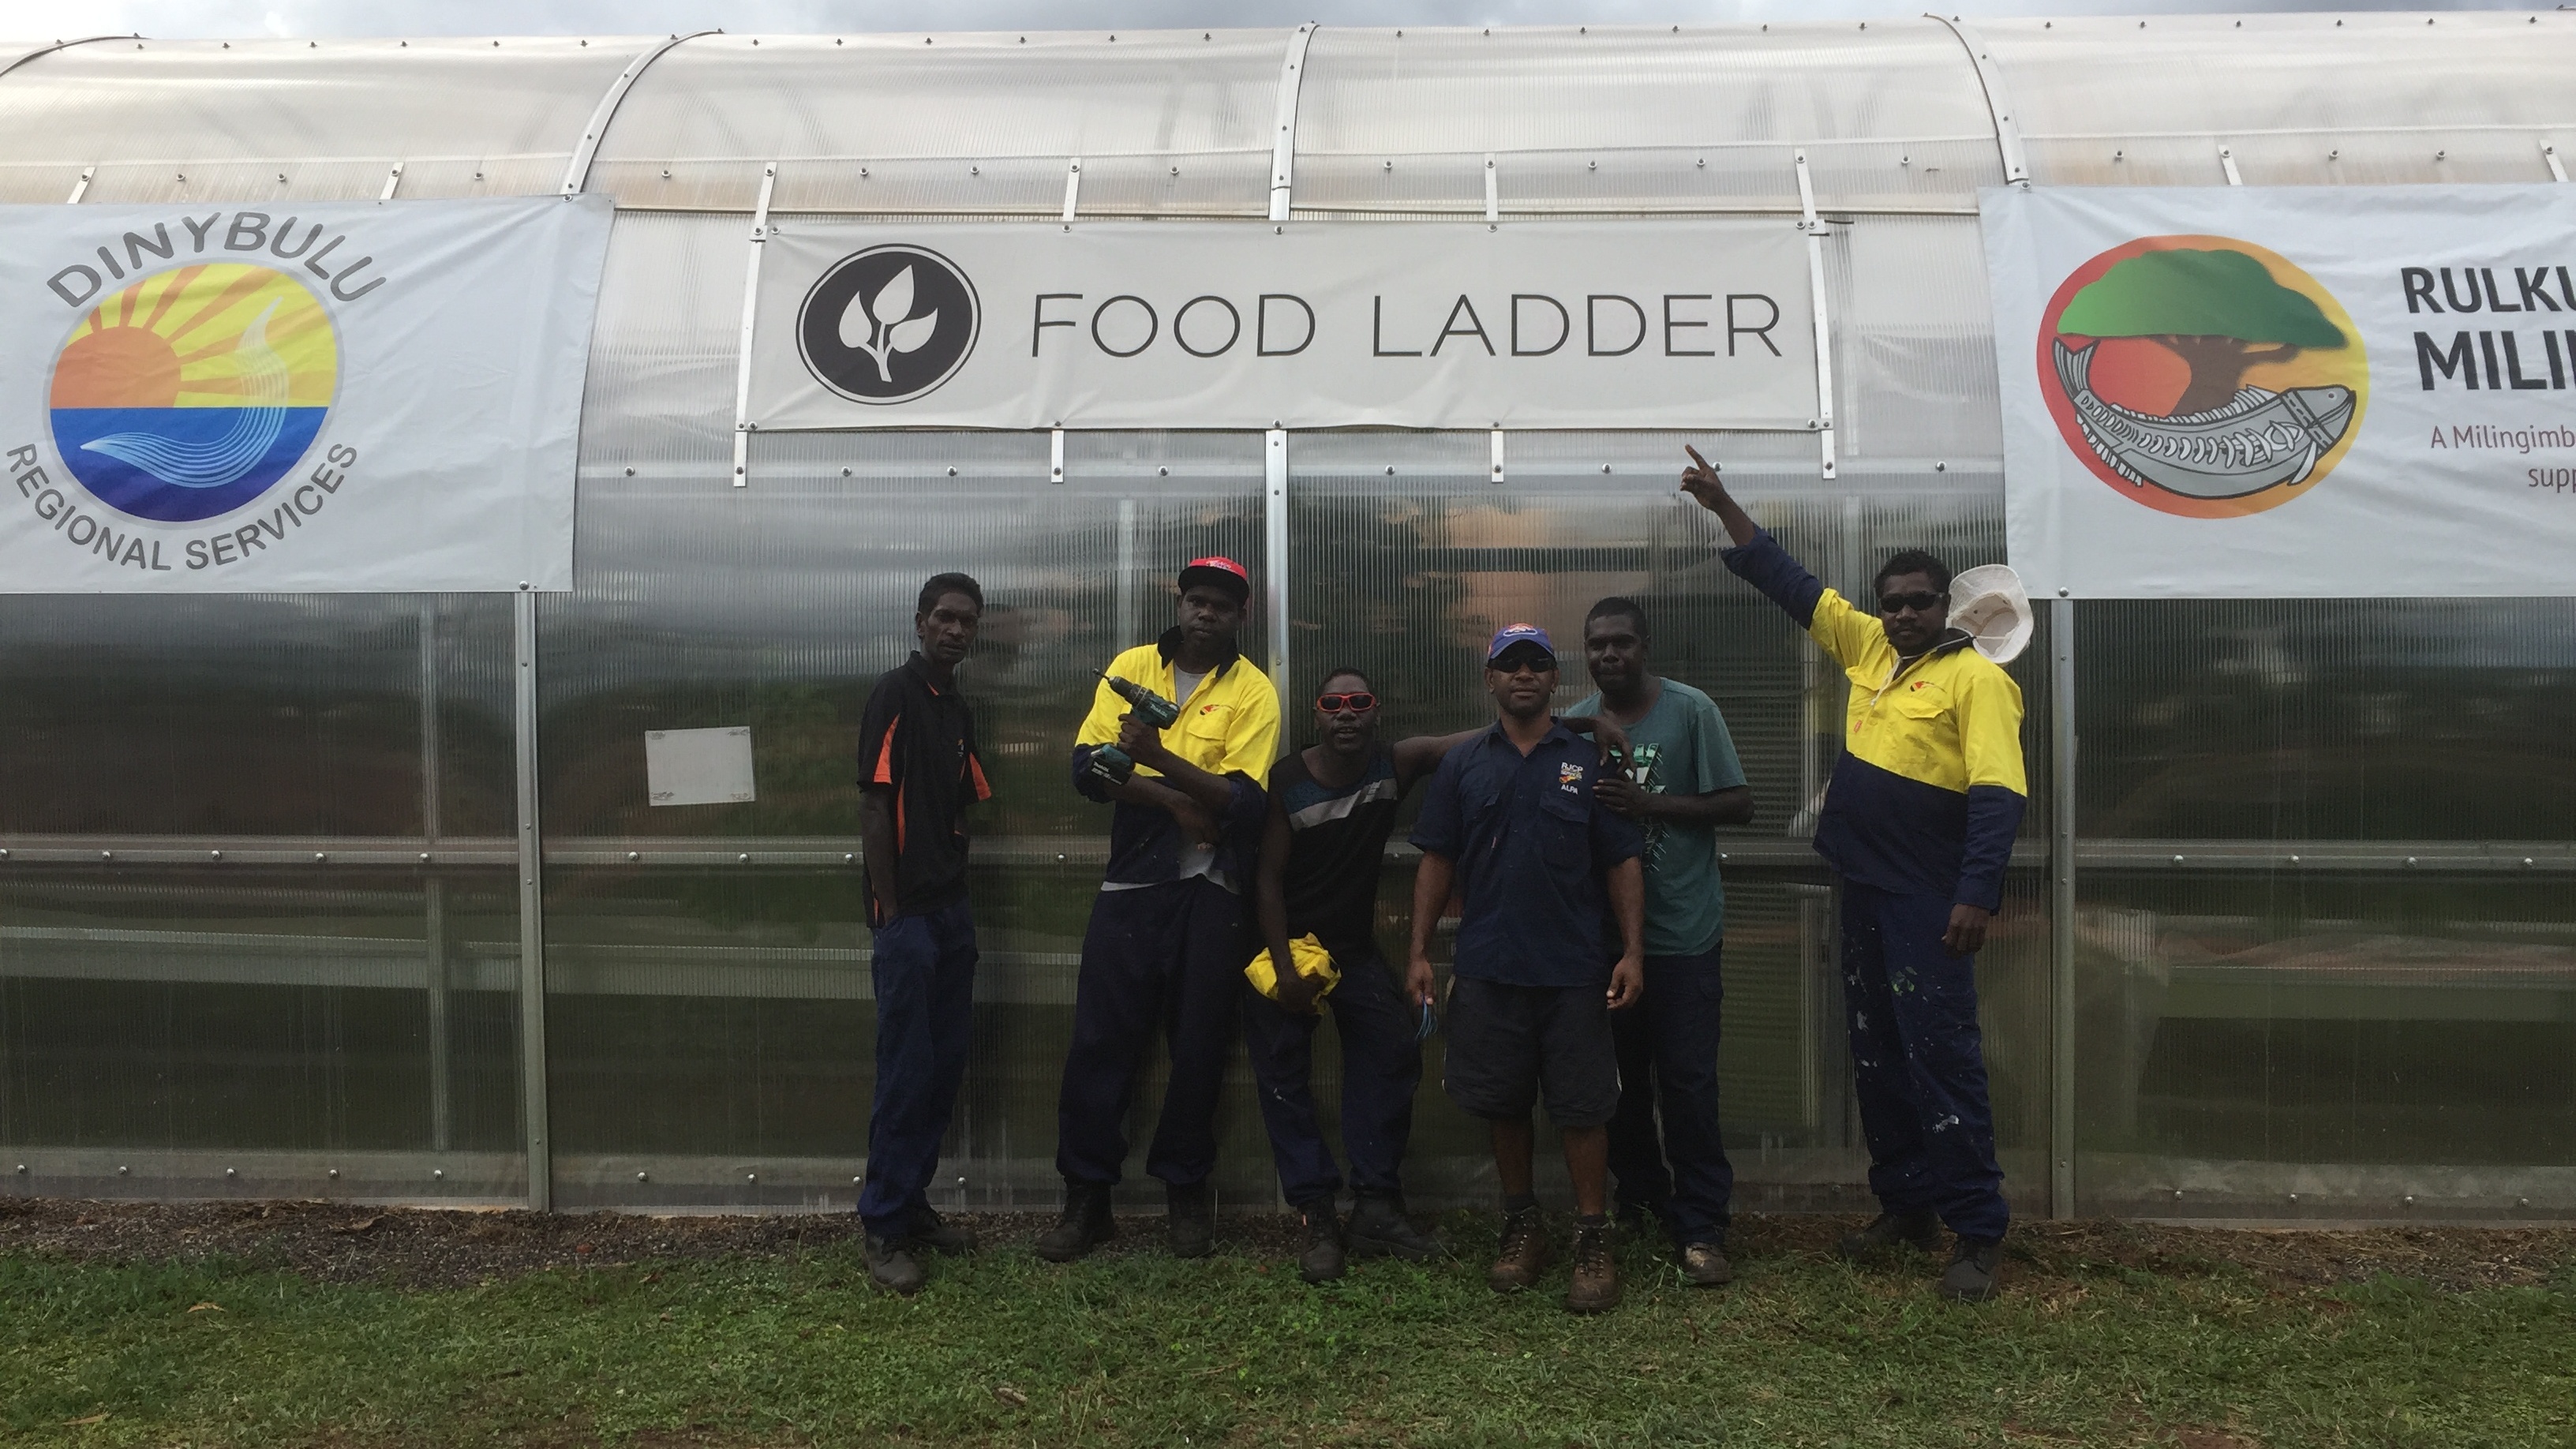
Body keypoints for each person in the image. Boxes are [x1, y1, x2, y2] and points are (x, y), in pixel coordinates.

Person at [1678, 446, 2027, 1303]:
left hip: (1929, 900)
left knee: (1942, 1059)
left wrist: (1976, 895)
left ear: (1949, 608)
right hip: (1863, 889)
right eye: (1892, 601)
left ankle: (1977, 1230)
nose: (1903, 613)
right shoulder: (1867, 647)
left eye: (1919, 601)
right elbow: (1787, 580)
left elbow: (1999, 795)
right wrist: (1723, 504)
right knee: (1876, 1053)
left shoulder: (1977, 680)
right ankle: (1906, 1206)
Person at [1248, 668, 1627, 1284]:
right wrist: (1285, 969)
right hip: (1286, 950)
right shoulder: (1288, 781)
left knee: (1392, 1052)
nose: (1346, 713)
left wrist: (1581, 724)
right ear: (1315, 714)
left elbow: (1498, 732)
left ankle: (1375, 1206)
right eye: (1332, 703)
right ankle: (1316, 1214)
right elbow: (1265, 879)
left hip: (1352, 951)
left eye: (1359, 702)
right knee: (1284, 1076)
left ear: (1377, 712)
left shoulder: (1392, 764)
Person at [1039, 556, 1281, 1262]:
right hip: (1132, 888)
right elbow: (1088, 770)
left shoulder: (1253, 690)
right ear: (1179, 603)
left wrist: (1157, 759)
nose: (1207, 613)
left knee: (1199, 1047)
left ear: (1241, 617)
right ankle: (1087, 1199)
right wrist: (1176, 801)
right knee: (1100, 1043)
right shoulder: (1132, 668)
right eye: (1197, 599)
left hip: (1212, 894)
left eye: (1222, 605)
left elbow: (1244, 802)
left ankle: (1185, 1191)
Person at [1407, 624, 1646, 1315]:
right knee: (1503, 1102)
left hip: (1574, 970)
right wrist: (1418, 952)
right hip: (1489, 966)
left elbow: (1621, 860)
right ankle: (1522, 1227)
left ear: (1553, 678)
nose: (1523, 675)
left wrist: (1633, 952)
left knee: (1583, 1109)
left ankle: (1592, 1239)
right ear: (1489, 679)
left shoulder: (1587, 758)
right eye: (1509, 664)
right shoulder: (1463, 764)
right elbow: (1437, 860)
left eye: (1536, 664)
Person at [1564, 597, 1754, 1289]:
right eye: (1597, 645)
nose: (1609, 655)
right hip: (1607, 942)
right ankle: (1641, 1199)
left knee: (1688, 1083)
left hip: (1683, 935)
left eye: (1622, 642)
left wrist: (1650, 806)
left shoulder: (1690, 710)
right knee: (1619, 1082)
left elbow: (1739, 803)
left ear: (1645, 646)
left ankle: (1702, 1224)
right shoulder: (1578, 722)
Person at [854, 572, 994, 1295]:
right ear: (919, 622)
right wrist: (892, 909)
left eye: (967, 621)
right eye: (944, 617)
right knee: (905, 1072)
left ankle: (911, 1205)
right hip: (907, 919)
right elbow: (875, 806)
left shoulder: (955, 707)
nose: (955, 630)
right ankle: (882, 1226)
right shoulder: (896, 694)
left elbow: (962, 800)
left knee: (942, 1068)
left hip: (951, 913)